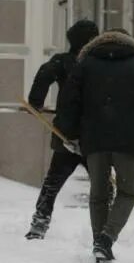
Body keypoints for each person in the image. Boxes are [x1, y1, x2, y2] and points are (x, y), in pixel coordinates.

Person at [57, 28, 134, 263]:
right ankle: (106, 239)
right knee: (127, 193)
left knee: (99, 194)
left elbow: (69, 101)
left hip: (94, 139)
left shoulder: (85, 65)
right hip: (128, 141)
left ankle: (99, 243)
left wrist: (70, 134)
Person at [24, 19, 100, 240]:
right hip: (94, 135)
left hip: (67, 133)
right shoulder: (99, 64)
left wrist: (35, 102)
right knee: (103, 186)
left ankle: (39, 222)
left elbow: (44, 74)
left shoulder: (63, 62)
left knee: (53, 181)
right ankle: (105, 229)